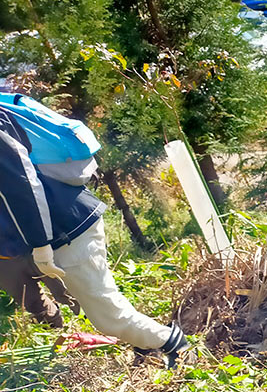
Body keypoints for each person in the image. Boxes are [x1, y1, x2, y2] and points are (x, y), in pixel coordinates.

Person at [0, 106, 188, 364]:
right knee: (105, 309)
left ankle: (173, 344)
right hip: (51, 230)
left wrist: (40, 245)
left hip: (67, 228)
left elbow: (22, 183)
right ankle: (146, 344)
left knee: (108, 317)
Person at [0, 254, 78, 328]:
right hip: (4, 260)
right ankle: (57, 331)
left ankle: (85, 319)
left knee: (68, 290)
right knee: (33, 303)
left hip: (41, 247)